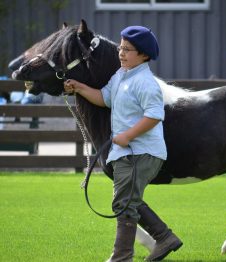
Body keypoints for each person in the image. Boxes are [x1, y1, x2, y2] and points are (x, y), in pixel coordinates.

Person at [64, 26, 182, 262]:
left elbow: (154, 115)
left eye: (128, 50)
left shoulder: (145, 82)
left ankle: (122, 257)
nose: (121, 53)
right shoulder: (120, 76)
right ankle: (165, 237)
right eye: (121, 47)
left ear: (144, 56)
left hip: (142, 152)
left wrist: (127, 135)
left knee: (124, 202)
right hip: (126, 152)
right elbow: (104, 98)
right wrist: (79, 87)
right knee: (126, 200)